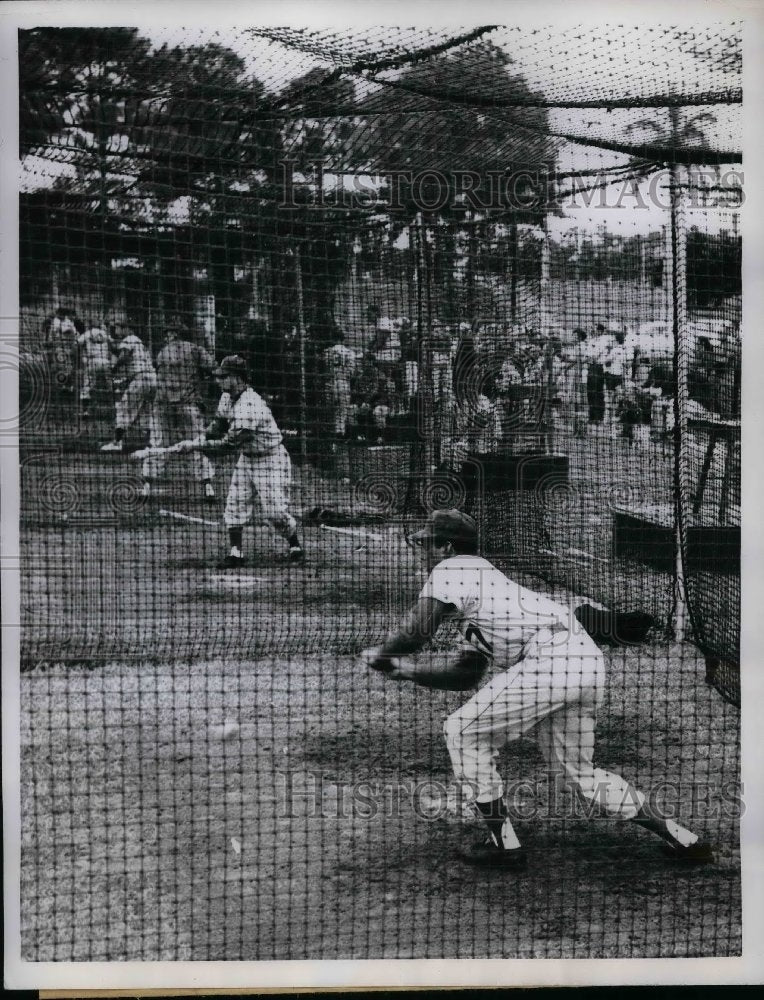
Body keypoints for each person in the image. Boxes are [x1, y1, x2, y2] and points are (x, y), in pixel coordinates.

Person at [360, 509, 713, 869]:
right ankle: (684, 838)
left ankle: (503, 845)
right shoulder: (484, 589)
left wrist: (383, 654)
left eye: (426, 543)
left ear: (447, 546)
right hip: (583, 660)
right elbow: (465, 674)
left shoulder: (454, 568)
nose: (420, 549)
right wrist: (408, 672)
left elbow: (415, 632)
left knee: (462, 733)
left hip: (551, 661)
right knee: (579, 774)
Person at [174, 355, 304, 568]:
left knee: (274, 512)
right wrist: (201, 438)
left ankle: (294, 545)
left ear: (237, 377)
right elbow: (218, 423)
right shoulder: (228, 397)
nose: (219, 380)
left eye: (224, 377)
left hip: (270, 460)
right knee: (235, 502)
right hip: (248, 458)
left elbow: (228, 445)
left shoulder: (250, 406)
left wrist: (195, 446)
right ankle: (236, 552)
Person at [141, 323, 217, 501]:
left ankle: (147, 487)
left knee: (158, 444)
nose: (166, 336)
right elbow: (213, 368)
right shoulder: (195, 349)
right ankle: (207, 487)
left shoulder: (161, 353)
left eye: (168, 333)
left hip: (162, 404)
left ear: (174, 334)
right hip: (188, 403)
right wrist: (201, 377)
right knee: (196, 444)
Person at [101, 330, 157, 452]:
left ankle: (117, 443)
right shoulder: (141, 345)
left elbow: (124, 356)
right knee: (147, 412)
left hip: (142, 379)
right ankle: (152, 443)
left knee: (123, 409)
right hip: (153, 379)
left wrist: (113, 369)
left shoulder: (129, 338)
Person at [323, 330, 357, 437]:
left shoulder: (327, 352)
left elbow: (324, 368)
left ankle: (331, 435)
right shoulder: (349, 352)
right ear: (343, 339)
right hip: (343, 383)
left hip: (329, 383)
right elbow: (351, 372)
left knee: (330, 410)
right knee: (342, 412)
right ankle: (340, 434)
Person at [76, 323, 113, 419]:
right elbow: (112, 343)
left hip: (93, 361)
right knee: (110, 386)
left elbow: (76, 343)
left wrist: (81, 355)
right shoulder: (104, 333)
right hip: (105, 362)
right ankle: (114, 410)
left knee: (87, 386)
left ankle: (85, 412)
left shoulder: (88, 333)